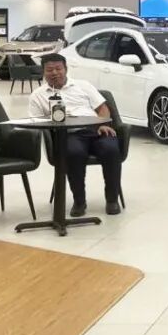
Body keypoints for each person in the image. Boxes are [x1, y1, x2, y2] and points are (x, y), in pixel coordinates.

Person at [29, 53, 124, 217]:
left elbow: (103, 108)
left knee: (111, 149)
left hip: (96, 130)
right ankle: (79, 201)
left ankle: (112, 200)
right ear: (43, 72)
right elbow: (36, 122)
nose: (54, 73)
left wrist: (102, 124)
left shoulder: (83, 85)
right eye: (49, 70)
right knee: (74, 153)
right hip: (68, 134)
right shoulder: (38, 95)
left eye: (58, 69)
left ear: (66, 69)